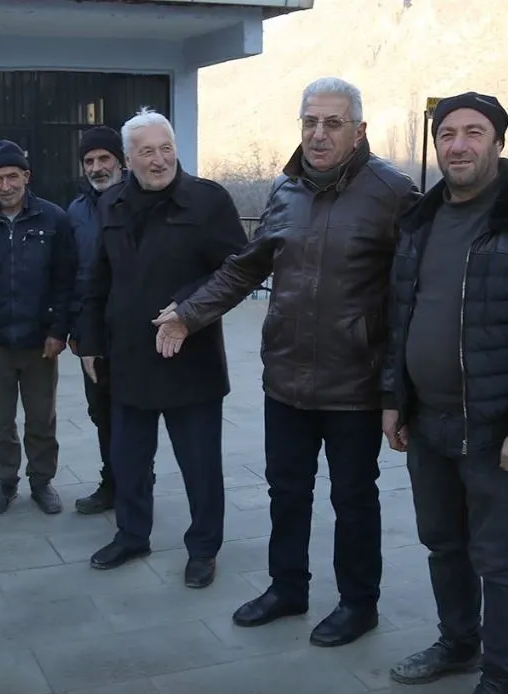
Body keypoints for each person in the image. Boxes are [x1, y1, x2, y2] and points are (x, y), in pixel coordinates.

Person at [154, 77, 418, 639]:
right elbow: (246, 266)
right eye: (309, 122)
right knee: (287, 491)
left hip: (355, 382)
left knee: (353, 499)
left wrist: (398, 389)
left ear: (359, 131)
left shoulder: (393, 192)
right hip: (286, 378)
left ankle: (359, 604)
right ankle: (287, 589)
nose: (318, 134)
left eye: (332, 123)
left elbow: (411, 296)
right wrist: (188, 313)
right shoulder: (286, 189)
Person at [79, 107, 247, 589]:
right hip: (128, 358)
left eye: (166, 148)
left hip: (189, 359)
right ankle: (132, 535)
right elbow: (96, 280)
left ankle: (203, 549)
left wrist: (188, 307)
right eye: (148, 152)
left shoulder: (207, 200)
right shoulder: (111, 204)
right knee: (128, 460)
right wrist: (89, 343)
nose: (159, 160)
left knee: (200, 466)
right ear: (128, 159)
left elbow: (238, 270)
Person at [383, 92, 508, 694]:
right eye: (447, 134)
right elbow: (399, 314)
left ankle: (500, 671)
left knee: (499, 557)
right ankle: (458, 644)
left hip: (491, 425)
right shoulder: (420, 220)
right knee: (442, 543)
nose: (458, 145)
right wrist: (394, 398)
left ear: (498, 143)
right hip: (428, 420)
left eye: (474, 133)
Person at [0, 139, 76, 515]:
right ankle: (6, 481)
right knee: (0, 422)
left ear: (26, 176)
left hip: (39, 342)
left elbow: (66, 280)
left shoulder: (54, 219)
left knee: (41, 420)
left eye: (12, 176)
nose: (6, 186)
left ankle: (42, 481)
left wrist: (58, 331)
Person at [67, 126, 125, 514]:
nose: (97, 167)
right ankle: (112, 482)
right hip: (93, 330)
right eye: (89, 160)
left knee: (132, 412)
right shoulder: (75, 211)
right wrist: (77, 329)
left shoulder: (140, 200)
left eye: (104, 158)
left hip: (134, 329)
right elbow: (72, 273)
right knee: (100, 410)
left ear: (120, 160)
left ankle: (137, 481)